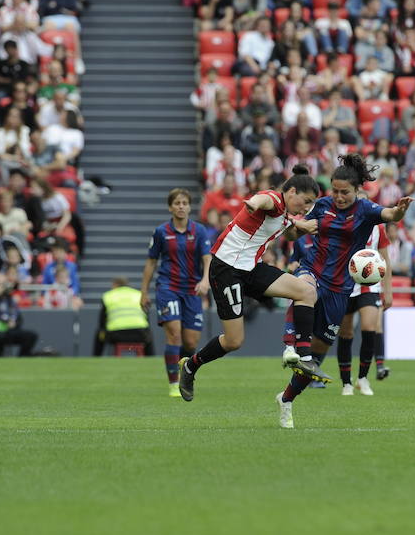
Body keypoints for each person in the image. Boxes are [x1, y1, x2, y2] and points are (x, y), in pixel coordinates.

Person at [278, 154, 412, 428]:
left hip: (341, 289)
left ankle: (286, 398)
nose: (338, 197)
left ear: (356, 190)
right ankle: (290, 346)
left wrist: (399, 211)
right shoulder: (322, 206)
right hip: (312, 270)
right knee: (303, 289)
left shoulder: (365, 210)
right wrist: (295, 226)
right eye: (335, 191)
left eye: (344, 192)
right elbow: (293, 236)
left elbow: (390, 215)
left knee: (316, 356)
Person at [177, 166, 322, 406]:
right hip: (226, 270)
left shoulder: (285, 214)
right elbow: (262, 200)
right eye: (305, 201)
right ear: (292, 190)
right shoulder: (275, 200)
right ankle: (191, 365)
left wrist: (300, 226)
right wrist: (254, 202)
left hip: (251, 269)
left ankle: (305, 356)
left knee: (306, 291)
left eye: (310, 205)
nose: (307, 208)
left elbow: (289, 235)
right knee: (234, 341)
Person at [140, 189, 212, 397]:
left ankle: (185, 374)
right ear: (170, 207)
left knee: (191, 341)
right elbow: (151, 262)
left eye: (184, 203)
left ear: (189, 207)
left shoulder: (199, 231)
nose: (181, 206)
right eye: (177, 203)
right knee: (174, 333)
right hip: (168, 287)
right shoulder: (161, 232)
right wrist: (144, 291)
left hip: (192, 290)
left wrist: (205, 280)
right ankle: (173, 383)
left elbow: (207, 258)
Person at [336, 219, 393, 396]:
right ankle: (346, 382)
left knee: (369, 327)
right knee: (346, 333)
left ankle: (363, 378)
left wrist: (388, 290)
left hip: (370, 286)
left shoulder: (378, 228)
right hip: (345, 285)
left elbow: (385, 260)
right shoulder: (342, 224)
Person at [0, 270, 39, 357]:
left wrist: (15, 323)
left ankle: (22, 359)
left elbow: (18, 317)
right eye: (2, 284)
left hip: (7, 331)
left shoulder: (8, 299)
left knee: (30, 336)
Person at [96, 276, 151, 357]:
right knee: (149, 334)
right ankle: (150, 359)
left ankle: (96, 358)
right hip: (139, 334)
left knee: (99, 334)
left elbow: (102, 321)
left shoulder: (108, 296)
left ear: (115, 285)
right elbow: (146, 318)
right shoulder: (138, 294)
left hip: (116, 335)